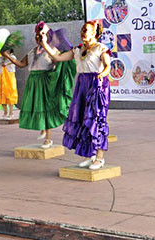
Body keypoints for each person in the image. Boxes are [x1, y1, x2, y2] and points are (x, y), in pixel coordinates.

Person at [40, 21, 111, 169]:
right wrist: (44, 43)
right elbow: (57, 57)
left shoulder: (100, 48)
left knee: (96, 120)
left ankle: (99, 157)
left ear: (94, 32)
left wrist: (101, 75)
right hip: (81, 85)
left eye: (86, 30)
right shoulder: (77, 50)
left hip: (96, 85)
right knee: (81, 119)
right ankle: (89, 155)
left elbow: (107, 66)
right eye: (82, 30)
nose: (83, 32)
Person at [2, 22, 75, 149]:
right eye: (37, 35)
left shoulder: (52, 50)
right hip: (33, 81)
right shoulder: (31, 51)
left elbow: (59, 62)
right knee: (36, 106)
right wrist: (7, 55)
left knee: (46, 108)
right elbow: (21, 64)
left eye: (41, 35)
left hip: (45, 81)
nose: (38, 38)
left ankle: (48, 138)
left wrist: (56, 79)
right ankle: (42, 129)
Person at [0, 47, 18, 119]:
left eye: (6, 50)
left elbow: (13, 61)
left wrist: (5, 64)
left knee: (10, 93)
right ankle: (5, 113)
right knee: (1, 94)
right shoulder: (0, 58)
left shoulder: (12, 57)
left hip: (9, 77)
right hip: (1, 77)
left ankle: (11, 113)